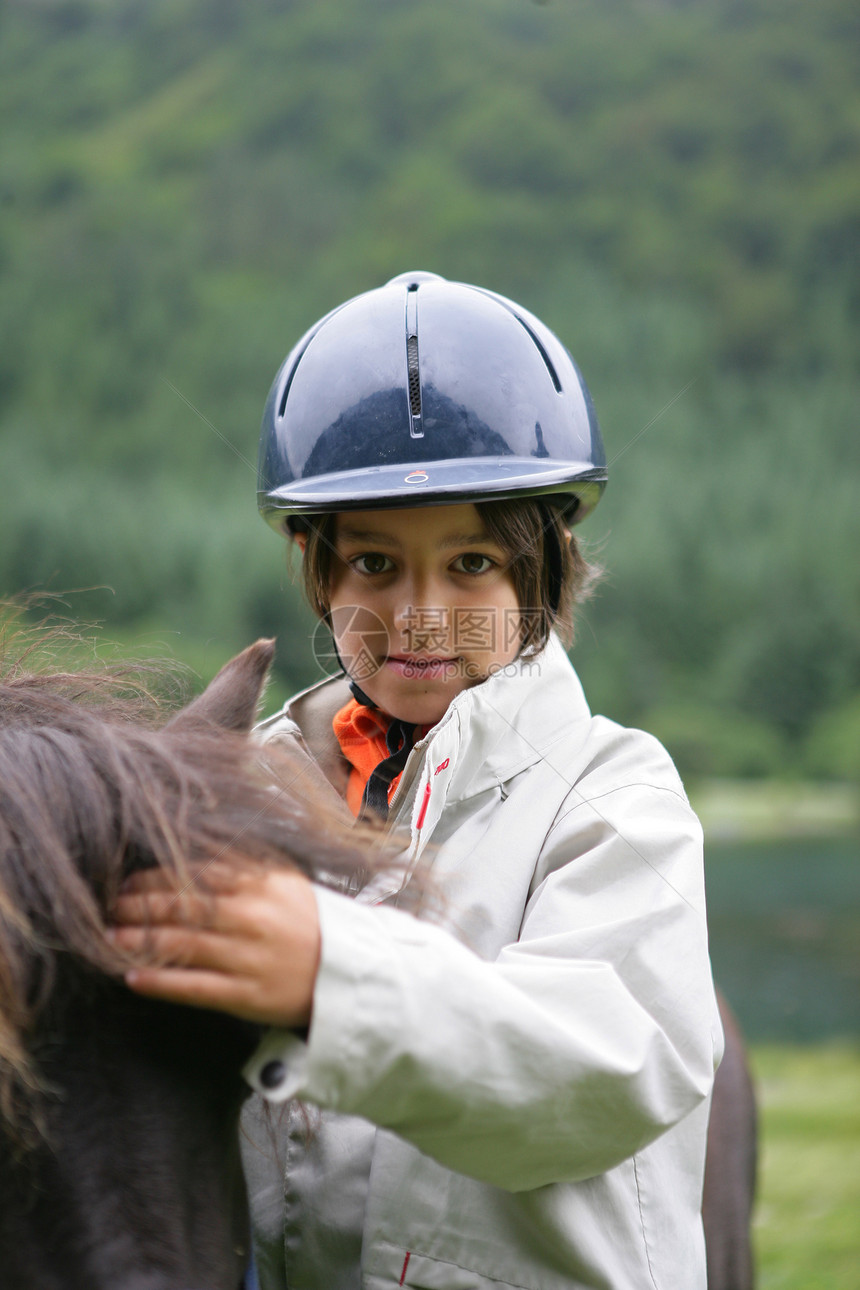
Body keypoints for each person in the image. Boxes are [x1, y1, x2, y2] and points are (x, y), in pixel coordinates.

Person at [113, 271, 724, 1289]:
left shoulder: (614, 797)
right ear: (319, 571)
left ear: (545, 566)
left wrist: (325, 974)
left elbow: (603, 1072)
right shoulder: (243, 794)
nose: (422, 615)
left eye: (474, 562)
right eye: (375, 566)